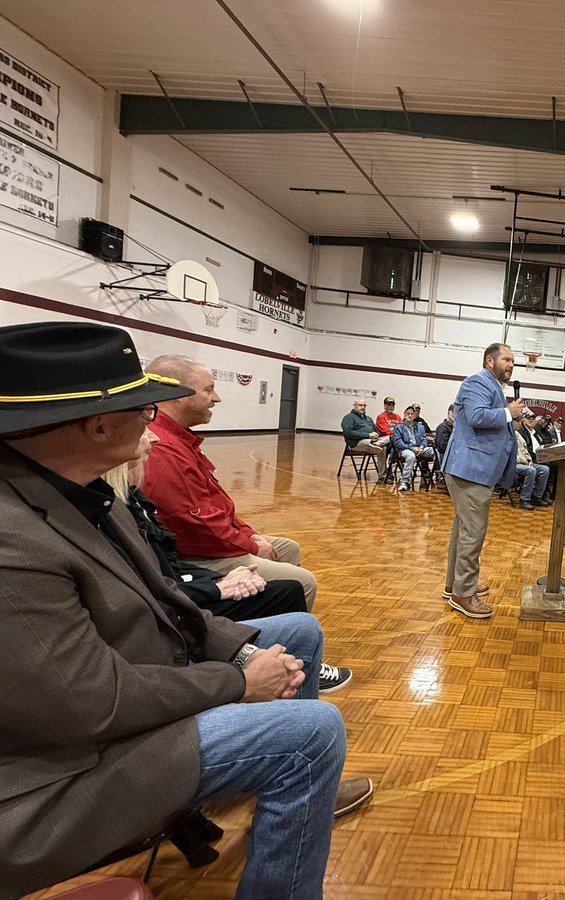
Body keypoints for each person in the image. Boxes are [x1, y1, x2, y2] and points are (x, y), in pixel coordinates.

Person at [0, 321, 372, 898]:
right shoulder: (13, 542)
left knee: (297, 629)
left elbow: (168, 603)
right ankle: (288, 776)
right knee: (312, 733)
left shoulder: (88, 494)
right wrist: (238, 680)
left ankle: (275, 784)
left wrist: (238, 651)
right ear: (99, 424)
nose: (152, 422)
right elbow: (94, 705)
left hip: (136, 686)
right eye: (143, 408)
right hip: (61, 773)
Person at [139, 357, 350, 690]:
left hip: (212, 540)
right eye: (208, 390)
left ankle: (276, 640)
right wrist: (250, 545)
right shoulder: (164, 448)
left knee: (287, 548)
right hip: (198, 552)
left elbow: (218, 504)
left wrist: (250, 535)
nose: (217, 398)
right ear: (178, 394)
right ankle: (287, 663)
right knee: (303, 581)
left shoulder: (180, 440)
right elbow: (193, 522)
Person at [108, 429, 308, 623]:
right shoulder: (121, 508)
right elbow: (156, 585)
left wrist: (221, 574)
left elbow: (220, 503)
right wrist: (218, 585)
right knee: (297, 587)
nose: (154, 436)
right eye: (143, 427)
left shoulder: (133, 498)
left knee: (288, 560)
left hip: (182, 584)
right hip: (175, 608)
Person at [441, 342, 522, 619]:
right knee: (473, 533)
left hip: (474, 470)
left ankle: (455, 585)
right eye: (506, 359)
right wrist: (508, 413)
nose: (511, 365)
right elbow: (476, 417)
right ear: (490, 360)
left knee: (464, 530)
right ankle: (463, 595)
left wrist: (508, 417)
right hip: (470, 470)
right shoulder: (477, 381)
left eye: (513, 361)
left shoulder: (492, 386)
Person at [391, 404, 436, 492]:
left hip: (419, 449)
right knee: (411, 456)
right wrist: (412, 448)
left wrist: (421, 447)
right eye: (408, 413)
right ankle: (404, 482)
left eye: (412, 414)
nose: (410, 415)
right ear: (404, 414)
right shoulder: (398, 427)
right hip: (405, 449)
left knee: (435, 451)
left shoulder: (420, 427)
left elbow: (424, 439)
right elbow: (398, 443)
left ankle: (439, 475)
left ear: (415, 415)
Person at [340, 397, 389, 472]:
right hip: (358, 443)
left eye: (364, 405)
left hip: (374, 440)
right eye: (360, 405)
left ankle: (382, 475)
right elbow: (348, 433)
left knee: (389, 438)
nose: (362, 407)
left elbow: (377, 430)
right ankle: (374, 444)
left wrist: (376, 434)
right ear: (354, 406)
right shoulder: (348, 418)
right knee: (370, 443)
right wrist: (368, 435)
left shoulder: (369, 419)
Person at [514, 417, 551, 510]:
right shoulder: (508, 435)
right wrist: (525, 462)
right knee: (531, 470)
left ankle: (536, 496)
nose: (519, 423)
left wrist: (529, 460)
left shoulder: (518, 434)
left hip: (524, 462)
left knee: (545, 469)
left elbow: (525, 451)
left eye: (519, 421)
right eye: (518, 421)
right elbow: (511, 454)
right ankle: (524, 499)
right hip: (512, 463)